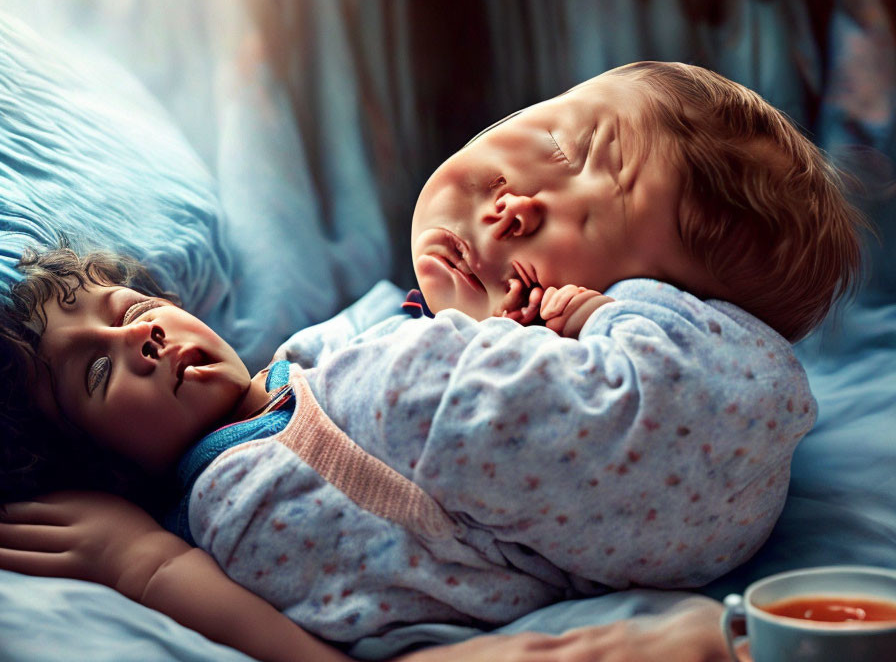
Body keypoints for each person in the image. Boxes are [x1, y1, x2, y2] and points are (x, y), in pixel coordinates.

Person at [0, 61, 861, 660]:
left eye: (135, 308)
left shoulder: (385, 356)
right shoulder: (243, 463)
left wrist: (597, 321)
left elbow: (679, 420)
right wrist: (135, 560)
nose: (514, 208)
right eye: (99, 371)